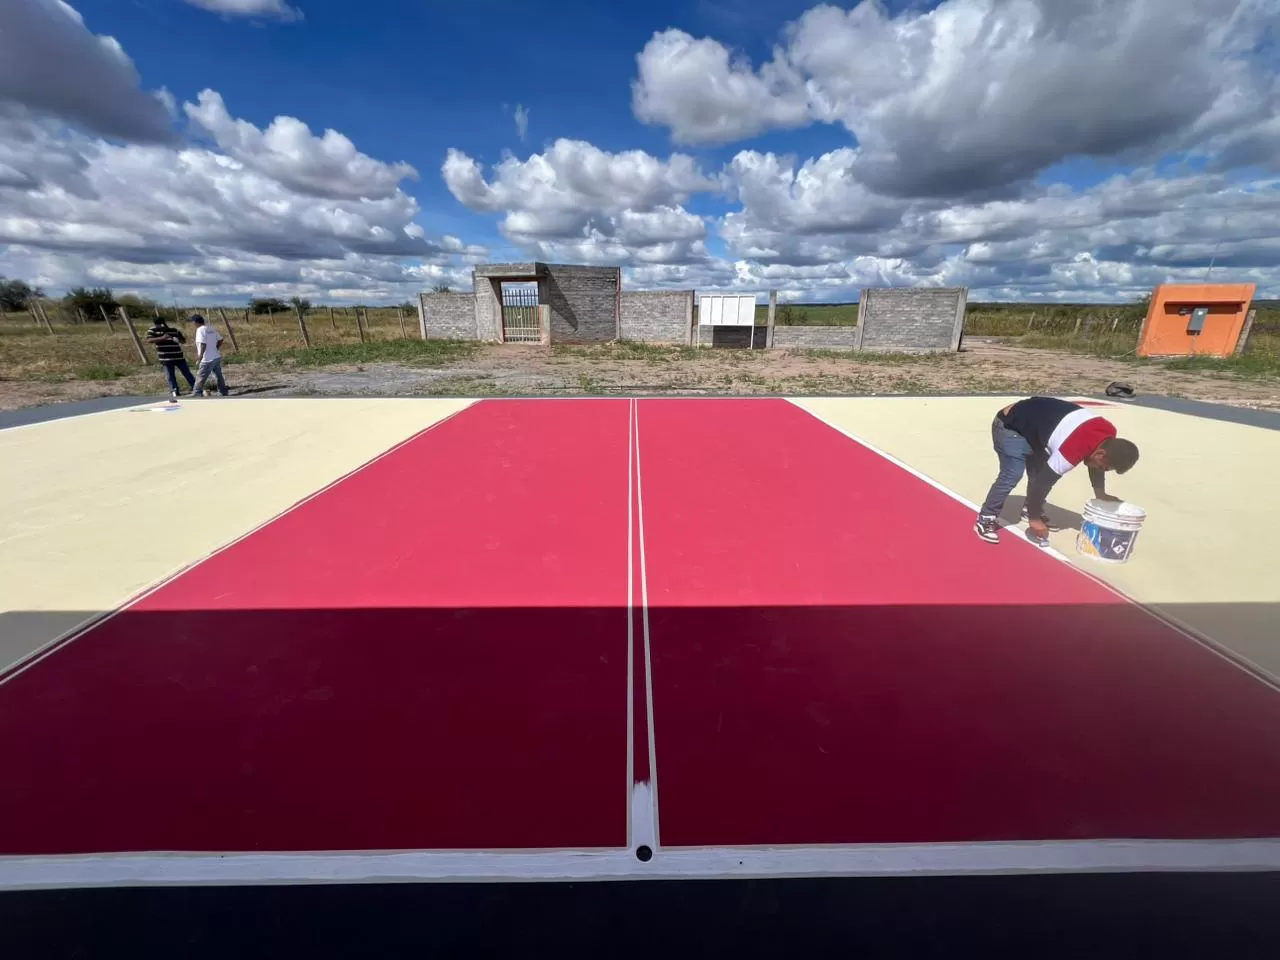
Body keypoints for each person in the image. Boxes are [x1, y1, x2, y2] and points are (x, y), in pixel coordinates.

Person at [975, 396, 1139, 545]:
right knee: (1012, 474)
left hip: (1035, 424)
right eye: (1104, 467)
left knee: (1038, 471)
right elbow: (1042, 483)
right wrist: (1035, 519)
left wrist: (1100, 494)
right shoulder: (1072, 449)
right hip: (1010, 425)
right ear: (1101, 454)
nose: (1101, 470)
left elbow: (1094, 464)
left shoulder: (1108, 436)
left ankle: (1029, 508)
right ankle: (986, 518)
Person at [145, 315, 195, 399]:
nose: (161, 326)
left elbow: (183, 340)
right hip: (166, 358)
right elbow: (149, 340)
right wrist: (162, 338)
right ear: (155, 324)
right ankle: (175, 392)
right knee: (170, 376)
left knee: (187, 373)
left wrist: (178, 340)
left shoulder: (173, 330)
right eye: (159, 324)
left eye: (162, 324)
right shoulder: (152, 330)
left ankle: (196, 388)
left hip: (178, 356)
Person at [189, 314, 229, 397]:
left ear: (195, 322)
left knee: (201, 376)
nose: (193, 324)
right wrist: (215, 348)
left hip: (207, 358)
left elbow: (203, 343)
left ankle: (197, 393)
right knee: (219, 376)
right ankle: (223, 391)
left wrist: (200, 356)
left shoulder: (200, 330)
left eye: (193, 322)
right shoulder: (211, 328)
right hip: (216, 357)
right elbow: (220, 339)